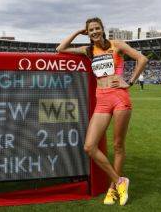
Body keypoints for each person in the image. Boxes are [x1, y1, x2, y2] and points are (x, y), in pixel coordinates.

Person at [56, 17, 148, 206]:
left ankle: (112, 190)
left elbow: (142, 59)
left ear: (102, 29)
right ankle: (119, 180)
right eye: (91, 30)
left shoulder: (117, 45)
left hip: (120, 97)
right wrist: (77, 32)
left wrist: (129, 82)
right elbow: (61, 49)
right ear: (88, 33)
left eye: (97, 28)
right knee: (89, 146)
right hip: (102, 100)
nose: (95, 31)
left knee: (118, 145)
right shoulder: (88, 50)